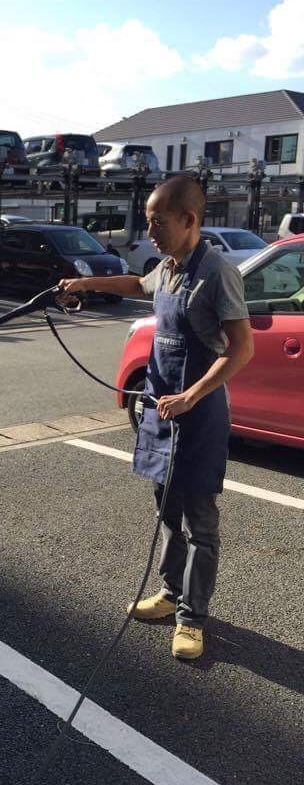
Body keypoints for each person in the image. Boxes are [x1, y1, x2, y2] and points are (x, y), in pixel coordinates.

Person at [57, 175, 254, 660]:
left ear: (189, 220)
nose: (151, 233)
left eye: (157, 223)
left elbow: (241, 349)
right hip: (160, 411)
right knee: (166, 510)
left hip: (199, 415)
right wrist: (86, 283)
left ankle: (193, 618)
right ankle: (170, 594)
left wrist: (193, 394)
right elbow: (136, 283)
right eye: (148, 223)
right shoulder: (166, 268)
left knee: (200, 523)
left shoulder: (217, 272)